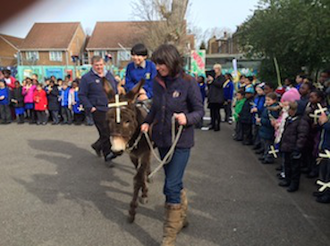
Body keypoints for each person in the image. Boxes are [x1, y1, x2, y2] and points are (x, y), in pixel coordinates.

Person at [141, 44, 204, 246]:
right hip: (162, 140)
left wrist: (187, 118)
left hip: (181, 142)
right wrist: (147, 122)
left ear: (171, 61)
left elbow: (199, 111)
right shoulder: (158, 83)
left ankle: (169, 236)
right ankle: (182, 217)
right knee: (173, 182)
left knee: (170, 186)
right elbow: (155, 108)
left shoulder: (188, 83)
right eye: (156, 64)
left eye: (160, 64)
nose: (157, 68)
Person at [78, 55, 118, 162]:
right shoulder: (86, 78)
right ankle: (108, 155)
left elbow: (115, 89)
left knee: (111, 131)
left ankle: (97, 145)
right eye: (97, 65)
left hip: (111, 108)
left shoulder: (109, 75)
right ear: (92, 65)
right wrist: (90, 107)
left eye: (101, 65)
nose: (99, 67)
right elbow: (82, 94)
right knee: (104, 132)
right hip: (98, 109)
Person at [279, 101, 309, 192]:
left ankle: (294, 184)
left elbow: (302, 136)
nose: (289, 111)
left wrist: (298, 148)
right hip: (287, 145)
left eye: (291, 109)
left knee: (295, 168)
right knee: (287, 164)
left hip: (294, 147)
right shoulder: (290, 119)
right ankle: (287, 180)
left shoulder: (302, 121)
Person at [257, 92, 280, 164]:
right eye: (266, 100)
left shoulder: (273, 110)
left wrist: (261, 120)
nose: (267, 102)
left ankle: (269, 158)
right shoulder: (267, 108)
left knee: (269, 145)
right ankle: (265, 155)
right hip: (265, 130)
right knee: (265, 144)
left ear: (274, 100)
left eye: (269, 100)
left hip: (268, 131)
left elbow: (271, 122)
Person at [207, 64, 226, 131]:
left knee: (217, 112)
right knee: (212, 112)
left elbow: (220, 84)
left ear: (219, 69)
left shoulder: (222, 77)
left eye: (215, 69)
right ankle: (212, 124)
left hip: (218, 97)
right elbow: (210, 86)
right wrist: (209, 81)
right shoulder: (213, 77)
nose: (214, 70)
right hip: (212, 96)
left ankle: (217, 126)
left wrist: (213, 80)